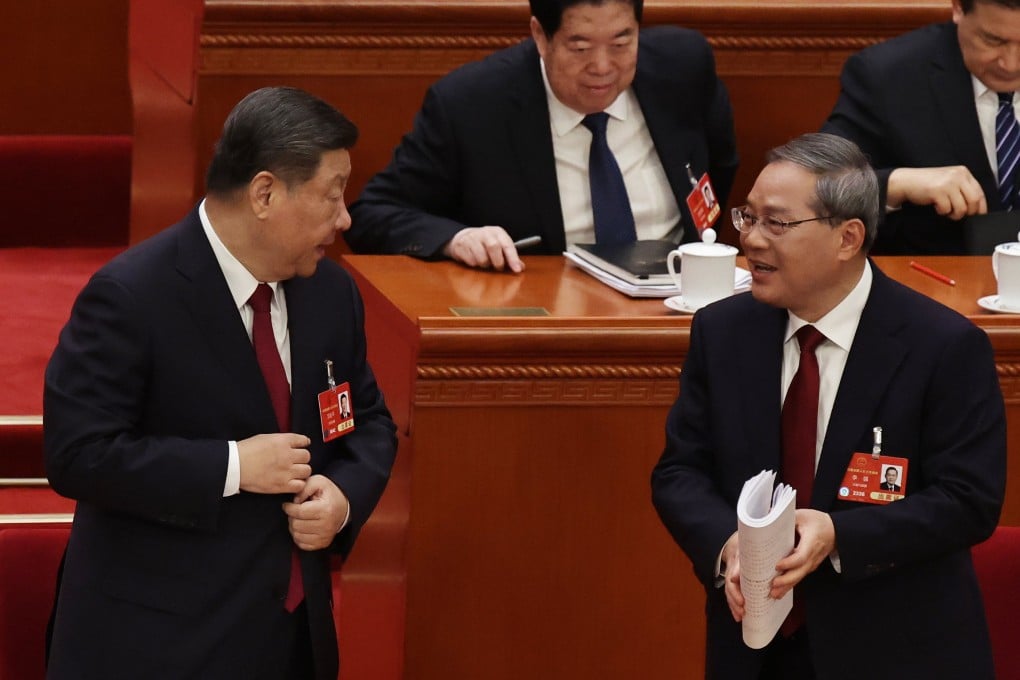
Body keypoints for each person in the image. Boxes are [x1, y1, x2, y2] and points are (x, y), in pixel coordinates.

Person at [44, 87, 398, 680]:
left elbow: (367, 423)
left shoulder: (332, 294)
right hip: (157, 643)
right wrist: (232, 467)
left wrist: (342, 499)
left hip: (290, 640)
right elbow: (78, 454)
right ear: (265, 193)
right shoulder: (132, 296)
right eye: (332, 195)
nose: (346, 218)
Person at [651, 132, 1005, 678]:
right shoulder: (723, 332)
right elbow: (680, 471)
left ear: (848, 238)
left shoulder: (943, 346)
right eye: (748, 218)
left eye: (777, 223)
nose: (752, 241)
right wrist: (729, 548)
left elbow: (968, 500)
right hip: (754, 647)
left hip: (897, 649)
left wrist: (840, 535)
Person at [345, 0, 738, 272]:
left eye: (622, 43)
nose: (603, 67)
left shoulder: (684, 68)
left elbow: (720, 168)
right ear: (540, 35)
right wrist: (456, 238)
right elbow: (373, 213)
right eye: (580, 47)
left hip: (680, 303)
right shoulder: (472, 104)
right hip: (546, 312)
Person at [822, 0, 1020, 254]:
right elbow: (818, 182)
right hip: (931, 280)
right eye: (993, 41)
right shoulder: (887, 75)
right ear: (958, 9)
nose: (1011, 64)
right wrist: (898, 183)